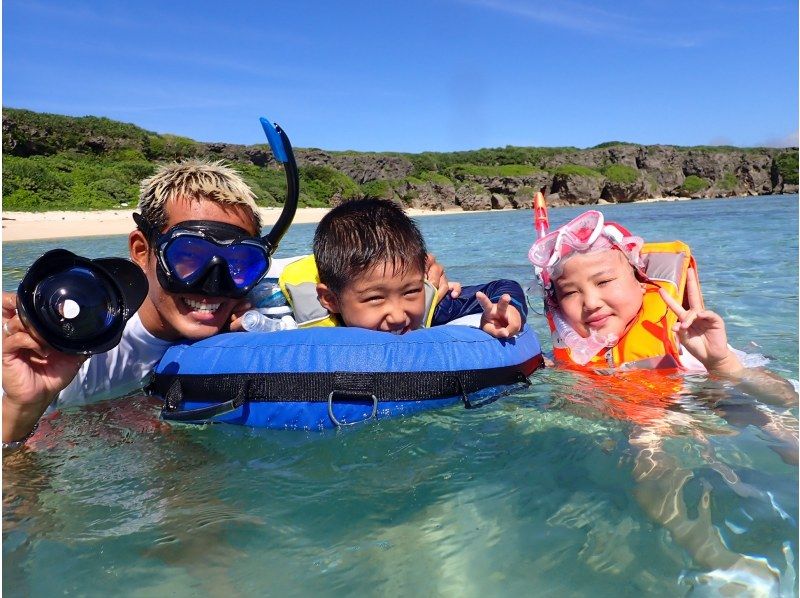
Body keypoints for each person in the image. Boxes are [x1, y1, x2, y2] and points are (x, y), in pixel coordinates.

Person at [2, 161, 456, 449]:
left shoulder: (260, 297)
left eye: (239, 263)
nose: (215, 286)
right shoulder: (69, 342)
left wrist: (429, 286)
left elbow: (367, 271)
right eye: (189, 258)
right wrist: (24, 407)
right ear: (142, 251)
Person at [529, 209, 798, 589]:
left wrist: (724, 364)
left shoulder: (691, 339)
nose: (589, 302)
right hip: (651, 421)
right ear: (556, 306)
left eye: (604, 281)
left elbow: (786, 398)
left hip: (710, 399)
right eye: (570, 292)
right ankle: (723, 564)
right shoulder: (573, 355)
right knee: (646, 460)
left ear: (643, 281)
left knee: (777, 425)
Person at [277, 198, 526, 337]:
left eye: (410, 292)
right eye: (375, 298)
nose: (398, 316)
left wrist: (508, 312)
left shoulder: (432, 305)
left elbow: (504, 287)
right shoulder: (286, 322)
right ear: (330, 299)